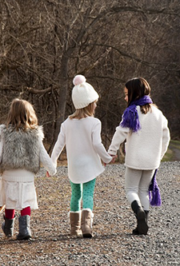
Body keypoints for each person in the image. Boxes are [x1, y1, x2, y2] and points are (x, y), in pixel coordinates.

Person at [0, 98, 56, 240]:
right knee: (25, 201)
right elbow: (43, 155)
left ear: (11, 114)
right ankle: (25, 230)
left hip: (9, 175)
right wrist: (52, 169)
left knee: (11, 201)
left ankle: (8, 229)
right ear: (30, 114)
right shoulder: (35, 135)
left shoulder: (6, 133)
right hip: (26, 176)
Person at [50, 75, 113, 238]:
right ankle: (86, 226)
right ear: (89, 104)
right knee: (88, 194)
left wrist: (53, 163)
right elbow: (97, 144)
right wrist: (106, 158)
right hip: (89, 166)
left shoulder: (66, 124)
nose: (96, 104)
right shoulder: (94, 122)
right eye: (95, 102)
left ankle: (74, 228)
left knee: (75, 195)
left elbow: (58, 145)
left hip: (74, 167)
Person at [107, 77, 170, 235]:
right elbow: (166, 137)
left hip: (134, 159)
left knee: (130, 190)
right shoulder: (158, 113)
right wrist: (159, 155)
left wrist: (111, 151)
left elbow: (120, 133)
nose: (125, 98)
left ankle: (139, 212)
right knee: (143, 190)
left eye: (127, 94)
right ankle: (143, 224)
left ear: (135, 94)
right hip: (152, 161)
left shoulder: (131, 112)